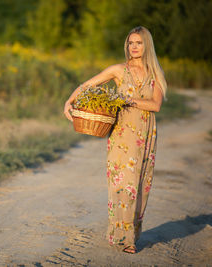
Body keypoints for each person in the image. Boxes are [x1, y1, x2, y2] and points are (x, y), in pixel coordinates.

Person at [63, 26, 167, 254]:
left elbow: (155, 105)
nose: (134, 47)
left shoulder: (155, 73)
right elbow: (88, 84)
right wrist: (68, 102)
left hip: (146, 134)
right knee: (122, 184)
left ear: (147, 45)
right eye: (131, 43)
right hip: (122, 134)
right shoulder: (119, 70)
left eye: (139, 42)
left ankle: (131, 234)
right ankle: (123, 238)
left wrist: (125, 99)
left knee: (141, 185)